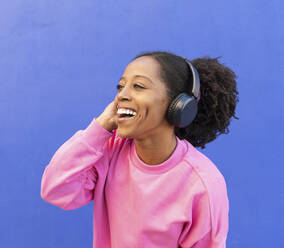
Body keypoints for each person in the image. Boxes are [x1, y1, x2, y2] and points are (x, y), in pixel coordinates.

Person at [40, 51, 239, 248]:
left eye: (138, 86)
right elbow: (56, 190)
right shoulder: (109, 150)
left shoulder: (202, 184)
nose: (122, 95)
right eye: (120, 86)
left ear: (178, 105)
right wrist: (100, 127)